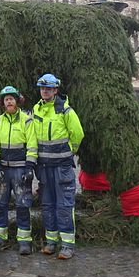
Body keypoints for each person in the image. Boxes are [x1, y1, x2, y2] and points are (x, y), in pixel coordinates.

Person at [32, 74, 84, 259]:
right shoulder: (36, 109)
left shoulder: (65, 110)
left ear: (55, 90)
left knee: (64, 205)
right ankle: (51, 241)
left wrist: (69, 150)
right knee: (47, 205)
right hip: (44, 167)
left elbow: (77, 133)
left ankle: (68, 245)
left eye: (48, 88)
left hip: (61, 167)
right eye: (42, 88)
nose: (44, 91)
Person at [0, 86, 38, 255]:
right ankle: (0, 238)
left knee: (23, 205)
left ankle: (24, 241)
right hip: (3, 170)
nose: (9, 101)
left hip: (20, 170)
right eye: (6, 99)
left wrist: (30, 168)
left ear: (17, 100)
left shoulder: (26, 121)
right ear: (2, 102)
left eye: (11, 98)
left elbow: (32, 145)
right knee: (0, 205)